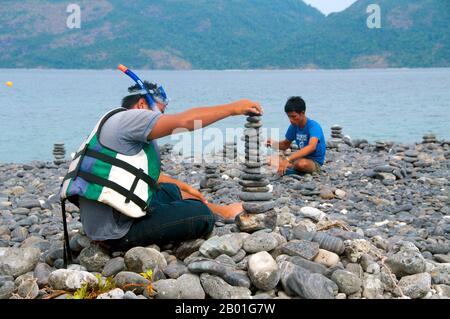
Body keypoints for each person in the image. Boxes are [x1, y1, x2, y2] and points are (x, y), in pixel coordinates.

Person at [61, 81, 262, 252]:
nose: (160, 118)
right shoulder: (130, 119)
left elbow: (142, 175)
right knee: (201, 215)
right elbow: (184, 121)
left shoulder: (116, 123)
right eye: (160, 112)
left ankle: (223, 211)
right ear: (141, 104)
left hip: (108, 216)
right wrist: (233, 108)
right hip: (115, 231)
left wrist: (185, 187)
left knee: (173, 192)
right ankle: (215, 212)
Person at [267, 96, 325, 176]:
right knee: (270, 160)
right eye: (289, 116)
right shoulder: (294, 126)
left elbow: (312, 147)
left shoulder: (314, 126)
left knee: (301, 164)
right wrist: (272, 143)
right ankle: (290, 169)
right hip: (299, 158)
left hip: (314, 162)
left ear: (302, 113)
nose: (291, 120)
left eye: (294, 116)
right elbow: (285, 144)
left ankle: (289, 169)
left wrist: (288, 159)